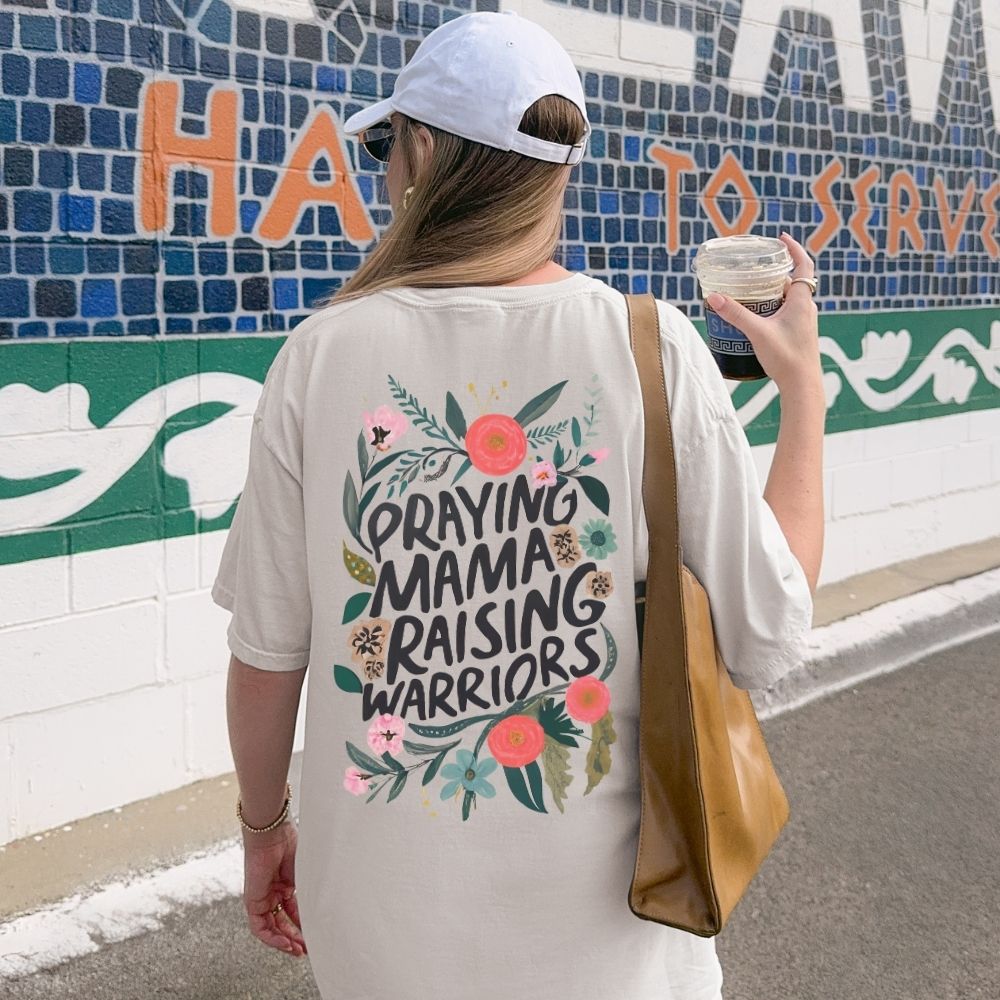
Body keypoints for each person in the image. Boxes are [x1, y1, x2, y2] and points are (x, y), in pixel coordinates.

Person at [212, 10, 824, 1000]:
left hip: (386, 937)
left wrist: (260, 828)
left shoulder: (319, 358)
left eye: (384, 143)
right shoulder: (652, 348)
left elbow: (266, 661)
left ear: (418, 154)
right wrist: (805, 396)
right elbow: (768, 626)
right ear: (556, 172)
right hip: (620, 945)